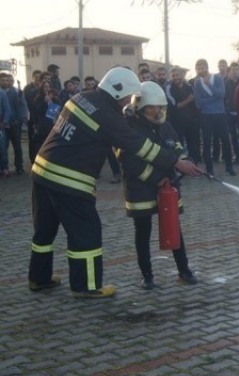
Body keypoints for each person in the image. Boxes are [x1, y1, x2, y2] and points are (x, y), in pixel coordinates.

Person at [28, 67, 202, 299]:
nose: (128, 103)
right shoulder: (107, 116)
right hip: (67, 178)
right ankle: (86, 286)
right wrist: (176, 163)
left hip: (42, 170)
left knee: (45, 229)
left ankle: (39, 277)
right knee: (86, 231)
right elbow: (138, 145)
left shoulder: (82, 97)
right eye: (128, 97)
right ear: (118, 91)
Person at [118, 81, 198, 289]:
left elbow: (176, 145)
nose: (157, 111)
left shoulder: (164, 124)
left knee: (174, 228)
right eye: (152, 107)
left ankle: (184, 271)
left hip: (168, 185)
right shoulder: (129, 127)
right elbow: (129, 161)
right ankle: (147, 276)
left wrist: (185, 162)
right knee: (142, 231)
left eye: (160, 107)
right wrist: (156, 178)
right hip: (140, 187)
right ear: (140, 106)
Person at [192, 58, 235, 178]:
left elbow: (222, 94)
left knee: (226, 141)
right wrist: (214, 98)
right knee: (206, 142)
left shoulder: (217, 78)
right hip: (206, 116)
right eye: (198, 69)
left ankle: (229, 166)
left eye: (202, 68)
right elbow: (198, 103)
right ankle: (209, 168)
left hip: (220, 114)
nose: (201, 70)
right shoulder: (196, 83)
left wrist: (209, 85)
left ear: (207, 67)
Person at [168, 67, 201, 164]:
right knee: (179, 145)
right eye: (173, 76)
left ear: (181, 75)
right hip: (177, 122)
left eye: (177, 75)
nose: (175, 77)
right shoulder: (169, 88)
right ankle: (182, 167)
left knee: (193, 144)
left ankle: (195, 165)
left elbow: (194, 102)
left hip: (191, 121)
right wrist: (188, 100)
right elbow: (174, 106)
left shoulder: (189, 86)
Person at [0, 73, 28, 174]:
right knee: (3, 147)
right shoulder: (1, 92)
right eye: (4, 80)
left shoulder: (17, 92)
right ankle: (4, 167)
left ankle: (19, 167)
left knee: (17, 146)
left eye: (10, 80)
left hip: (14, 123)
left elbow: (22, 106)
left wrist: (20, 119)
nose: (7, 82)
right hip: (3, 124)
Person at [31, 80, 62, 160]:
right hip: (43, 126)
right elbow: (38, 111)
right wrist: (45, 102)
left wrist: (52, 101)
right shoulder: (38, 98)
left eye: (48, 87)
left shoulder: (55, 98)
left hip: (53, 125)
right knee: (41, 145)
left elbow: (57, 110)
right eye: (45, 87)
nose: (47, 89)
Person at [225, 63, 239, 164]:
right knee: (233, 136)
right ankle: (237, 156)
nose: (235, 72)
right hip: (230, 113)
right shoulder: (225, 83)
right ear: (229, 71)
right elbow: (224, 98)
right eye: (233, 69)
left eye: (237, 69)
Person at [24, 70, 42, 163]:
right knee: (32, 139)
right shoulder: (27, 88)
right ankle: (32, 159)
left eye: (40, 78)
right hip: (31, 117)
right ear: (33, 78)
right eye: (36, 77)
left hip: (41, 118)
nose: (38, 79)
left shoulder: (43, 88)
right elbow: (27, 103)